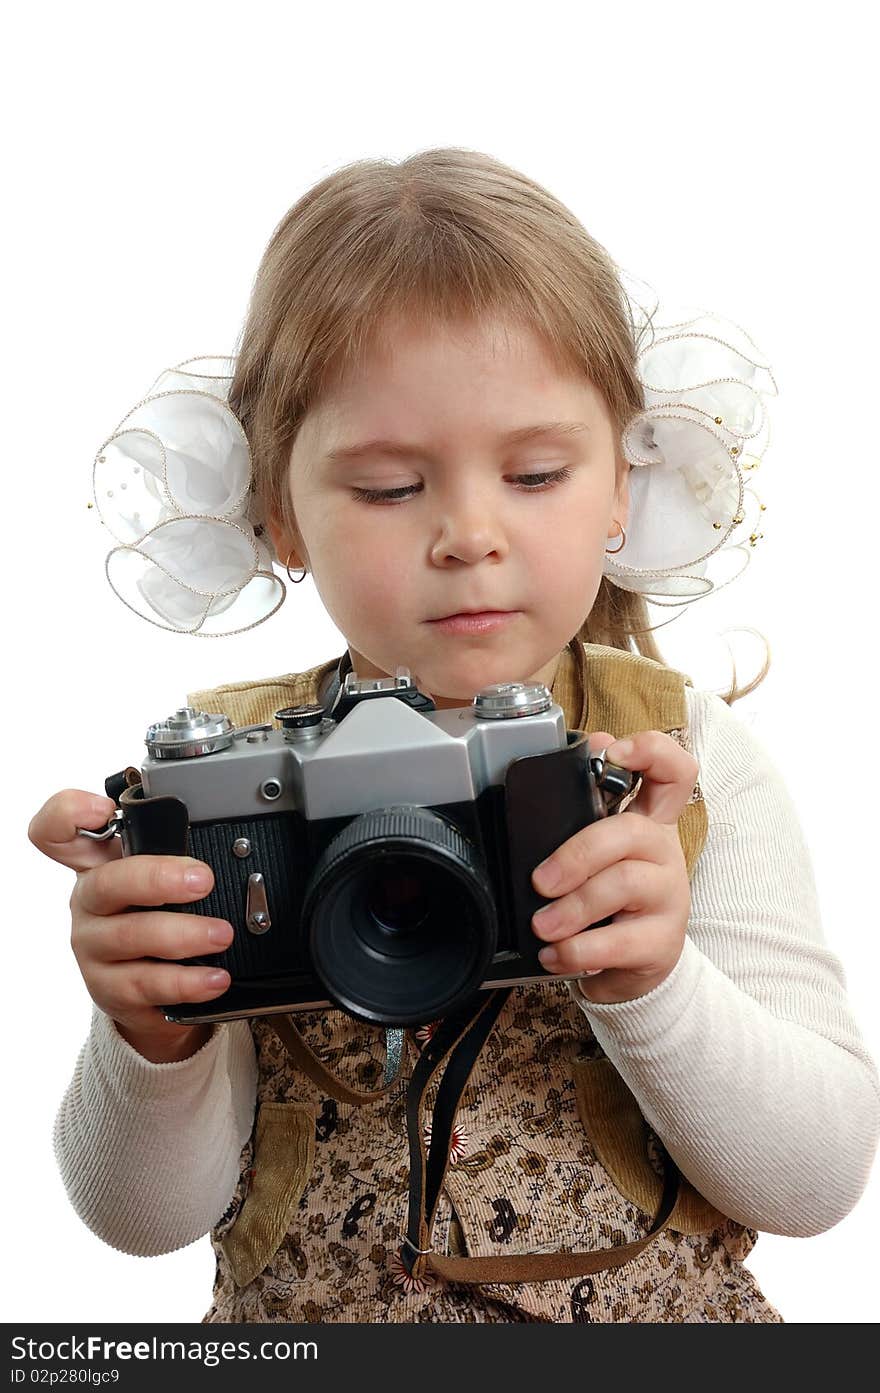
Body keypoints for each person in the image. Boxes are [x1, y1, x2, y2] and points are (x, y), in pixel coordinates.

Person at [30, 148, 879, 1323]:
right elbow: (141, 1220)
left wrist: (653, 979)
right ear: (276, 510)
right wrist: (148, 1029)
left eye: (535, 472)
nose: (468, 534)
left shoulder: (673, 758)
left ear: (626, 482)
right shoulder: (225, 788)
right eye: (388, 489)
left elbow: (816, 1180)